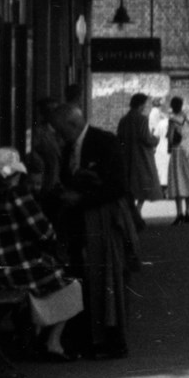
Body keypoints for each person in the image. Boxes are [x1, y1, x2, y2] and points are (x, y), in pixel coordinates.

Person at [0, 147, 80, 358]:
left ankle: (33, 332)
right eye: (17, 174)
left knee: (46, 275)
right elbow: (45, 233)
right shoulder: (17, 195)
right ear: (11, 175)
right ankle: (53, 342)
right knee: (70, 282)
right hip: (14, 269)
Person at [49, 102, 131, 358]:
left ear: (73, 125)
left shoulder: (104, 142)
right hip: (79, 225)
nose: (59, 137)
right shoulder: (69, 146)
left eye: (61, 132)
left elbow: (118, 186)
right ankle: (89, 339)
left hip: (103, 223)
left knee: (106, 281)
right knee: (84, 279)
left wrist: (81, 200)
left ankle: (111, 342)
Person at [116, 93, 162, 229]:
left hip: (126, 156)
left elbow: (119, 137)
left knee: (130, 185)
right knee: (144, 184)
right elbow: (146, 138)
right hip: (141, 156)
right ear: (140, 105)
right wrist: (156, 139)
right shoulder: (142, 119)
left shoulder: (124, 119)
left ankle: (133, 213)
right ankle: (137, 212)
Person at [164, 95, 189, 223]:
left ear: (172, 107)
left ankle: (179, 212)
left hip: (179, 149)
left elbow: (170, 136)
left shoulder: (173, 119)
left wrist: (169, 148)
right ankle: (187, 211)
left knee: (178, 179)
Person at [27, 96, 64, 197]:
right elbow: (33, 155)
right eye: (49, 110)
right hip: (48, 186)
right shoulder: (38, 133)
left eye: (56, 110)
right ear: (44, 114)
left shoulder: (63, 130)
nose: (54, 113)